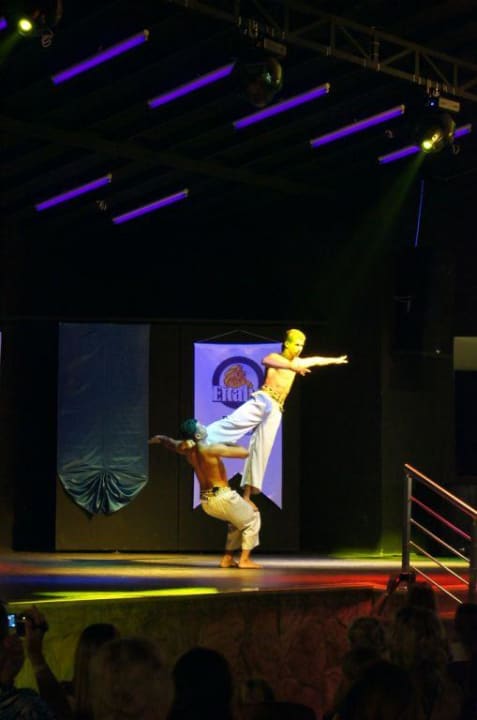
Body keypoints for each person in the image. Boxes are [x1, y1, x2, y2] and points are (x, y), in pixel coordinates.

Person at [205, 328, 348, 500]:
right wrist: (291, 366)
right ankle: (202, 436)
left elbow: (317, 360)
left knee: (261, 450)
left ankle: (247, 496)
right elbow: (266, 360)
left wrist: (335, 360)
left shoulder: (298, 362)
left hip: (277, 408)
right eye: (296, 344)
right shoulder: (277, 357)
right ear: (287, 344)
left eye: (302, 345)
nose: (299, 349)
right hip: (264, 399)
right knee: (234, 422)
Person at [149, 418, 261, 568]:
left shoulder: (186, 449)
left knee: (236, 522)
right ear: (198, 435)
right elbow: (244, 453)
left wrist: (159, 438)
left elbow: (169, 442)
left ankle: (227, 558)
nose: (204, 426)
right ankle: (244, 560)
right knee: (253, 517)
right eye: (200, 426)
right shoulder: (211, 449)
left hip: (207, 502)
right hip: (223, 497)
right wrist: (227, 441)